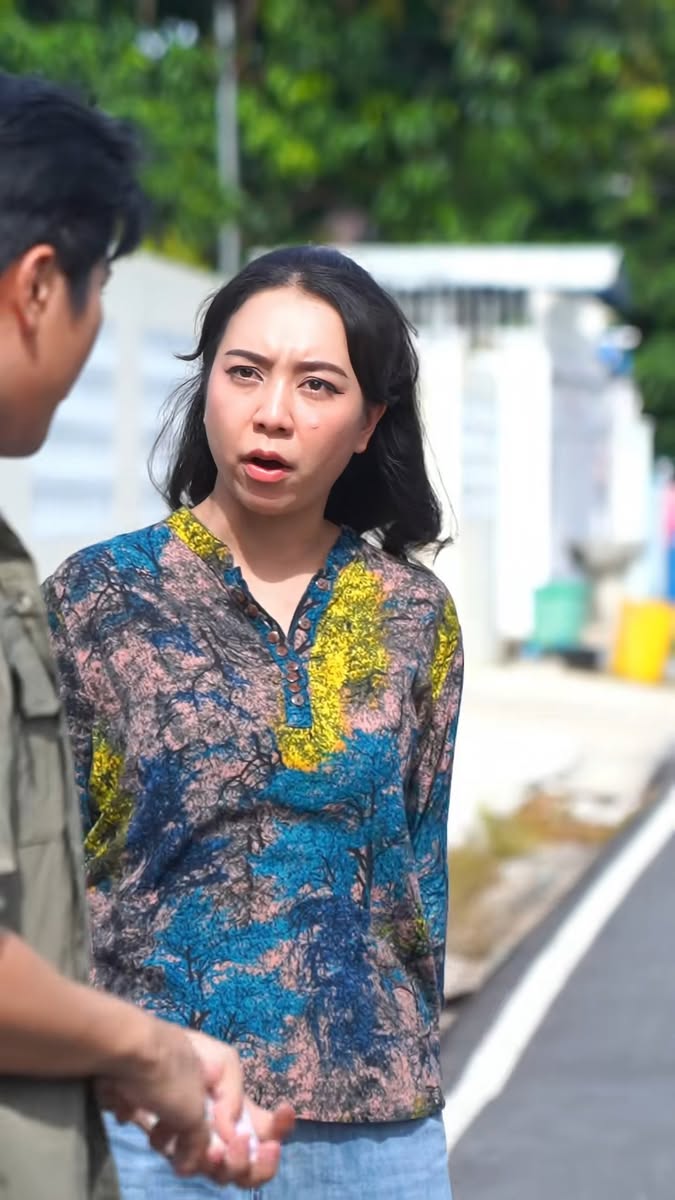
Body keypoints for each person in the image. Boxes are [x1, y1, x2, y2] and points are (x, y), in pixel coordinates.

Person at [44, 244, 464, 1199]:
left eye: (318, 385)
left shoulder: (412, 616)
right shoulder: (98, 599)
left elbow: (419, 878)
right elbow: (48, 873)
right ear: (207, 390)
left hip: (377, 1133)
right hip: (153, 1123)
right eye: (245, 373)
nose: (273, 412)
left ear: (369, 424)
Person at [0, 70, 292, 1199]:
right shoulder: (92, 590)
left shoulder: (410, 612)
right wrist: (144, 1046)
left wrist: (117, 1060)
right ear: (38, 286)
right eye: (99, 291)